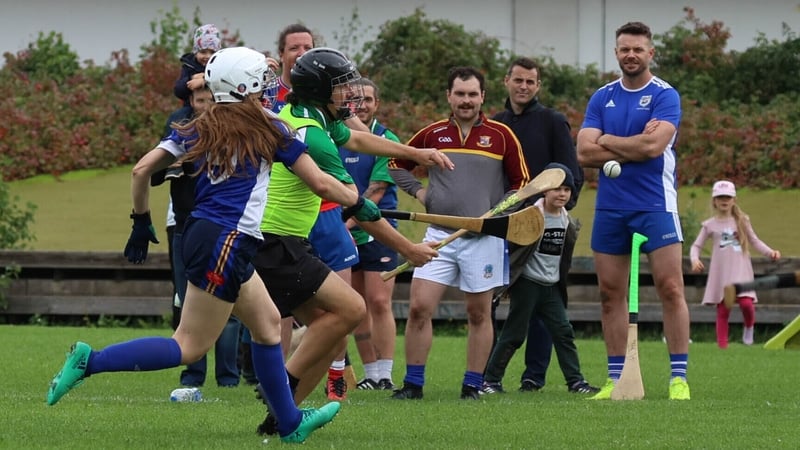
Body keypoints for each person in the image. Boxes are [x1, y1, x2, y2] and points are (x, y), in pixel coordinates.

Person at [46, 47, 348, 444]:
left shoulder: (196, 125)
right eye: (262, 79)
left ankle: (289, 423)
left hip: (208, 236)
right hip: (226, 242)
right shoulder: (272, 127)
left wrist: (140, 221)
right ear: (245, 85)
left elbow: (141, 170)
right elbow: (321, 183)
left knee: (269, 325)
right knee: (188, 346)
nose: (270, 86)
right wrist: (359, 202)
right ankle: (90, 362)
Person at [253, 47, 451, 433]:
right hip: (275, 242)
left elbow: (359, 142)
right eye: (342, 87)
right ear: (320, 89)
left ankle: (279, 424)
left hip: (286, 240)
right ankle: (279, 388)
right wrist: (408, 249)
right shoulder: (313, 135)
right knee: (353, 309)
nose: (352, 95)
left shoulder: (315, 117)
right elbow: (359, 207)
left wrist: (415, 153)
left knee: (333, 330)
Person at [390, 66, 531, 400]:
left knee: (478, 313)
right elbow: (396, 164)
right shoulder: (431, 134)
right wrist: (423, 194)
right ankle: (413, 384)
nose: (466, 101)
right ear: (448, 97)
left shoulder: (501, 136)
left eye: (472, 94)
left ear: (483, 96)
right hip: (438, 236)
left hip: (483, 240)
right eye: (460, 94)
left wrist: (500, 211)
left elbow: (522, 184)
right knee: (419, 308)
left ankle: (471, 385)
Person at [576, 21, 691, 401]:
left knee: (670, 287)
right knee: (610, 293)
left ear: (650, 53)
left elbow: (653, 149)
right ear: (616, 53)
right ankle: (615, 378)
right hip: (611, 207)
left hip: (655, 203)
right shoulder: (602, 97)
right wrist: (631, 141)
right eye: (625, 49)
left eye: (638, 49)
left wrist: (607, 140)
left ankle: (678, 378)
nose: (631, 55)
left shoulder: (665, 96)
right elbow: (583, 153)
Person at [488, 56, 584, 393]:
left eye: (530, 82)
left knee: (545, 305)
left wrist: (556, 209)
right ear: (507, 82)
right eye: (518, 80)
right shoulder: (496, 124)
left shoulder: (552, 122)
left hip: (542, 226)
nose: (524, 87)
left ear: (538, 85)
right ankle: (488, 375)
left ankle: (534, 375)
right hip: (503, 225)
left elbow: (571, 170)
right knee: (496, 298)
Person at [151, 86, 242, 388]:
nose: (206, 105)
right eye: (200, 100)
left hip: (224, 230)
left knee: (232, 311)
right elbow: (148, 173)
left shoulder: (234, 136)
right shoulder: (183, 136)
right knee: (187, 302)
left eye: (211, 99)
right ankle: (193, 376)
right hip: (186, 228)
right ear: (190, 103)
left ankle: (228, 378)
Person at [481, 163, 598, 394]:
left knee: (563, 332)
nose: (562, 194)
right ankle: (490, 380)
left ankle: (576, 382)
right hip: (528, 283)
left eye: (567, 189)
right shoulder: (530, 217)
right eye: (557, 188)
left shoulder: (568, 221)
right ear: (545, 189)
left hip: (551, 286)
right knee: (514, 334)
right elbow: (512, 249)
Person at [341, 78, 401, 391]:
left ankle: (387, 373)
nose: (361, 105)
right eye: (354, 100)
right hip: (345, 231)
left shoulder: (384, 138)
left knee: (379, 301)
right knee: (357, 305)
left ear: (376, 104)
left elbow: (374, 194)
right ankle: (371, 373)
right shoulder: (337, 136)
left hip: (378, 230)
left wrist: (343, 225)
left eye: (367, 99)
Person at [690, 180, 781, 348]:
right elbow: (696, 246)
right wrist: (695, 259)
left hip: (741, 272)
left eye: (728, 197)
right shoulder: (709, 225)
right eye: (720, 197)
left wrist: (770, 252)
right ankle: (723, 346)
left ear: (734, 200)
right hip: (723, 275)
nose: (724, 201)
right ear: (714, 201)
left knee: (746, 304)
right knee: (724, 309)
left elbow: (755, 241)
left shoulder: (742, 221)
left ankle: (749, 328)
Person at [174, 24, 221, 108]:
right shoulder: (189, 67)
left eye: (212, 52)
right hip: (193, 107)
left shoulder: (221, 67)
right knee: (177, 116)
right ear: (195, 52)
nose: (208, 56)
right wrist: (191, 79)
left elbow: (225, 84)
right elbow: (178, 91)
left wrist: (205, 80)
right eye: (203, 52)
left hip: (217, 106)